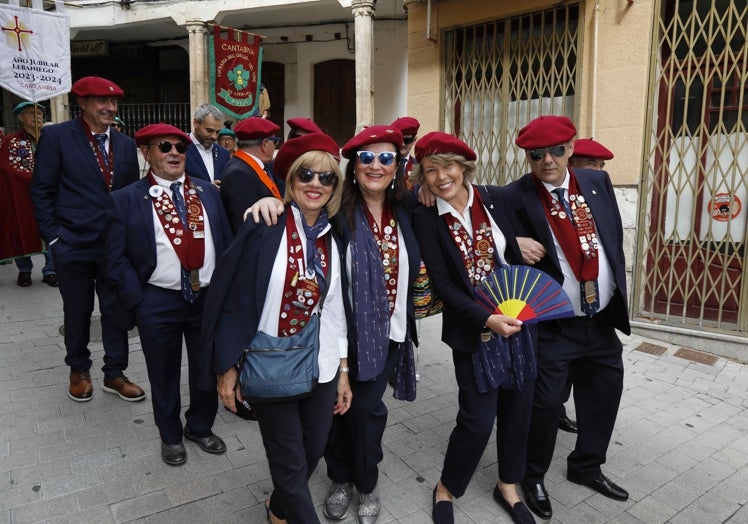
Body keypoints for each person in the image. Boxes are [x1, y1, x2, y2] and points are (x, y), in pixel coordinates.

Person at [201, 132, 351, 523]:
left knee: (313, 449)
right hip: (269, 363)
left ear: (335, 186)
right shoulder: (264, 223)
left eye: (326, 177)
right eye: (306, 175)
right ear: (291, 180)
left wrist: (343, 371)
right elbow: (229, 299)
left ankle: (277, 506)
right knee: (288, 464)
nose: (315, 184)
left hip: (320, 363)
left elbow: (334, 307)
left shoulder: (334, 236)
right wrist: (226, 367)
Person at [502, 116, 630, 520]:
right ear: (527, 156)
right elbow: (474, 216)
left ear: (572, 148)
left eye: (557, 151)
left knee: (604, 393)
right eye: (536, 155)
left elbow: (611, 238)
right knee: (545, 404)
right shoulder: (513, 196)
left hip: (601, 318)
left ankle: (586, 466)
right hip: (556, 324)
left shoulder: (596, 183)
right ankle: (533, 476)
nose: (548, 161)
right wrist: (510, 244)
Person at [411, 132, 536, 524]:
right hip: (474, 328)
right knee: (477, 419)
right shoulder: (425, 215)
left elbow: (534, 214)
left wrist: (521, 242)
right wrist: (486, 318)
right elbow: (445, 285)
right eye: (430, 170)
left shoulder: (497, 198)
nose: (441, 176)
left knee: (518, 410)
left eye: (447, 166)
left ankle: (509, 485)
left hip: (520, 322)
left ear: (464, 166)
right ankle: (447, 487)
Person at [105, 123, 232, 466]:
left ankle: (200, 427)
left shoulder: (209, 193)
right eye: (165, 147)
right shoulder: (125, 199)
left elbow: (228, 243)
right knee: (163, 372)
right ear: (147, 153)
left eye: (180, 147)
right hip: (157, 300)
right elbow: (112, 258)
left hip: (206, 298)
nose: (175, 153)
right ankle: (171, 436)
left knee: (206, 368)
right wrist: (139, 299)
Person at [321, 125, 420, 523]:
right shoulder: (335, 210)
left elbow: (467, 198)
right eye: (366, 158)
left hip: (390, 333)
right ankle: (340, 478)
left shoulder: (409, 208)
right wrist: (270, 205)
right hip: (342, 333)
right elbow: (297, 208)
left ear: (397, 166)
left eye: (386, 158)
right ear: (354, 165)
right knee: (337, 408)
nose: (375, 165)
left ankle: (366, 480)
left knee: (365, 410)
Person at [31, 76, 145, 403]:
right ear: (81, 104)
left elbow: (125, 195)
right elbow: (41, 191)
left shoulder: (124, 144)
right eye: (101, 102)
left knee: (116, 311)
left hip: (113, 247)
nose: (110, 108)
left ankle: (114, 373)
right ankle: (79, 370)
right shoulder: (56, 137)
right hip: (72, 245)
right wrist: (53, 239)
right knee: (78, 310)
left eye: (114, 102)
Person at [553, 137, 616, 435]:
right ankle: (555, 411)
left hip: (599, 314)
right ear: (572, 161)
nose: (598, 172)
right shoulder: (539, 196)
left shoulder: (597, 194)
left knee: (598, 384)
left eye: (601, 167)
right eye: (592, 164)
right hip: (560, 318)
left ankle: (588, 461)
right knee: (556, 379)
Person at [0, 101, 57, 287]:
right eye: (30, 112)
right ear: (19, 117)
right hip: (22, 196)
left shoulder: (52, 138)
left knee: (51, 231)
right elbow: (7, 168)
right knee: (21, 230)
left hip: (50, 195)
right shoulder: (11, 141)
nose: (37, 116)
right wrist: (35, 179)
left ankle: (51, 270)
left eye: (39, 113)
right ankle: (24, 270)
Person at [219, 116, 282, 233]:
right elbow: (244, 225)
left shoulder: (247, 165)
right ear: (264, 144)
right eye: (275, 141)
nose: (275, 146)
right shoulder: (239, 174)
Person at [185, 103, 230, 185]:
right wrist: (208, 188)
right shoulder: (180, 149)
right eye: (209, 130)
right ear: (196, 123)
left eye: (217, 132)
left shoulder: (223, 154)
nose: (214, 136)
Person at [390, 116, 420, 189]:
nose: (403, 144)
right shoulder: (385, 164)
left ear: (414, 140)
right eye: (399, 140)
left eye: (407, 140)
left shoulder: (419, 167)